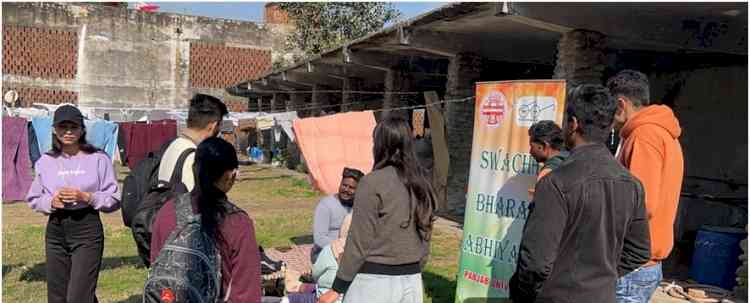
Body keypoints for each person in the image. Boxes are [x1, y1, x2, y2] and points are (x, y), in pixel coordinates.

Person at [509, 84, 651, 303]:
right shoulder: (633, 185)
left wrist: (528, 294)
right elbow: (639, 251)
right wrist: (600, 277)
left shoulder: (555, 183)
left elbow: (535, 262)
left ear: (573, 124)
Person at [319, 115, 437, 303]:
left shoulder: (372, 182)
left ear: (380, 145)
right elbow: (426, 235)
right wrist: (414, 267)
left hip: (374, 284)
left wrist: (337, 288)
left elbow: (359, 240)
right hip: (412, 281)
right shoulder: (422, 182)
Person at [26, 105, 120, 303]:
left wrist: (88, 197)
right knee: (58, 296)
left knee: (78, 296)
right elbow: (34, 198)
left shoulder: (98, 158)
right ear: (54, 129)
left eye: (73, 127)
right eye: (63, 127)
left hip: (86, 228)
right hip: (56, 229)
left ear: (82, 129)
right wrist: (51, 201)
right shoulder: (45, 160)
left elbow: (114, 198)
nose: (68, 132)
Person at [150, 137, 262, 302]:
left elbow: (156, 269)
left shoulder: (167, 212)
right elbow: (246, 295)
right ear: (230, 176)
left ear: (194, 168)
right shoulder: (238, 223)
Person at [607, 70, 684, 302]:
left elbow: (642, 203)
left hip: (632, 264)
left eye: (610, 109)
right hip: (643, 261)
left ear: (621, 104)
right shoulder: (662, 133)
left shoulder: (644, 135)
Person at [158, 93, 228, 191]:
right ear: (212, 126)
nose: (219, 130)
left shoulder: (172, 145)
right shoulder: (194, 157)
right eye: (219, 126)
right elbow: (198, 203)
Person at [311, 167, 364, 262]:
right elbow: (319, 239)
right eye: (344, 185)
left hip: (352, 253)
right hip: (325, 253)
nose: (346, 190)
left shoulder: (360, 206)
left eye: (352, 188)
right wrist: (343, 247)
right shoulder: (326, 205)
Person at [313, 214, 352, 303]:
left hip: (326, 296)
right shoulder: (373, 252)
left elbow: (315, 274)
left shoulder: (330, 249)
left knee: (293, 298)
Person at [527, 120, 568, 198]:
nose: (530, 151)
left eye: (532, 146)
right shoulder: (569, 159)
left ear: (544, 146)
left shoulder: (547, 173)